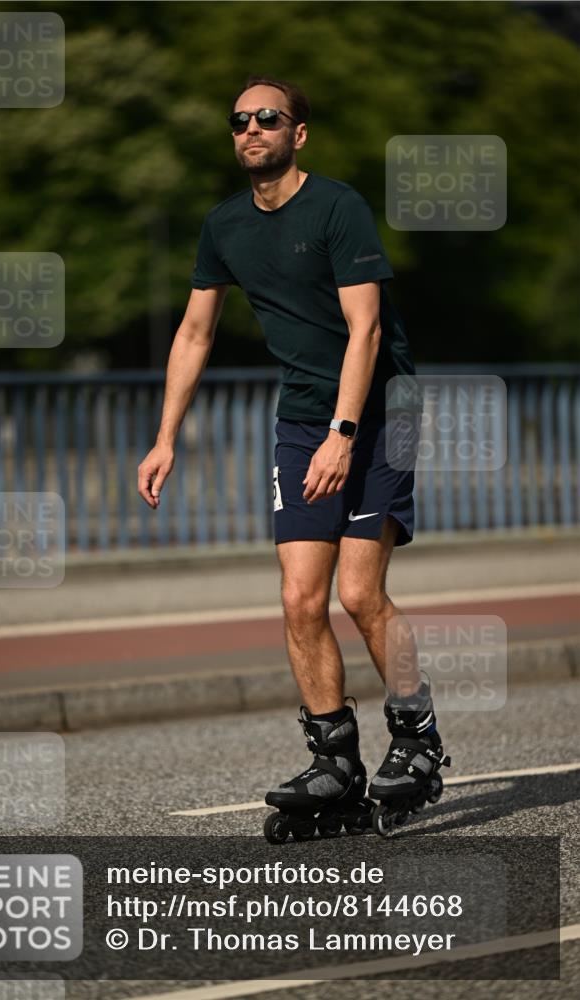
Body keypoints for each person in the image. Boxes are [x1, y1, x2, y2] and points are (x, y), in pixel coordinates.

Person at [138, 75, 449, 838]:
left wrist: (343, 434)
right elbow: (194, 334)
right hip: (303, 415)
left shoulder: (336, 207)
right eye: (239, 120)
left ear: (297, 133)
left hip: (381, 409)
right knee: (298, 600)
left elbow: (365, 329)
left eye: (266, 119)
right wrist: (165, 435)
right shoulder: (223, 226)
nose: (250, 130)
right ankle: (334, 763)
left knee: (357, 591)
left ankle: (416, 738)